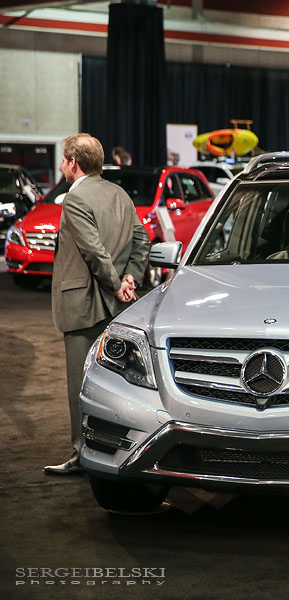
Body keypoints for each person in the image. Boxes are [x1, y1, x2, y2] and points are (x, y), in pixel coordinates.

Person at [43, 134, 150, 475]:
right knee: (119, 384)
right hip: (118, 308)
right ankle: (115, 453)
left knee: (82, 385)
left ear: (74, 163)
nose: (62, 166)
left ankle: (82, 455)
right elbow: (141, 239)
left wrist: (117, 284)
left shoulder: (74, 200)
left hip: (84, 305)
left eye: (63, 160)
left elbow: (93, 252)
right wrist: (131, 278)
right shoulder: (119, 194)